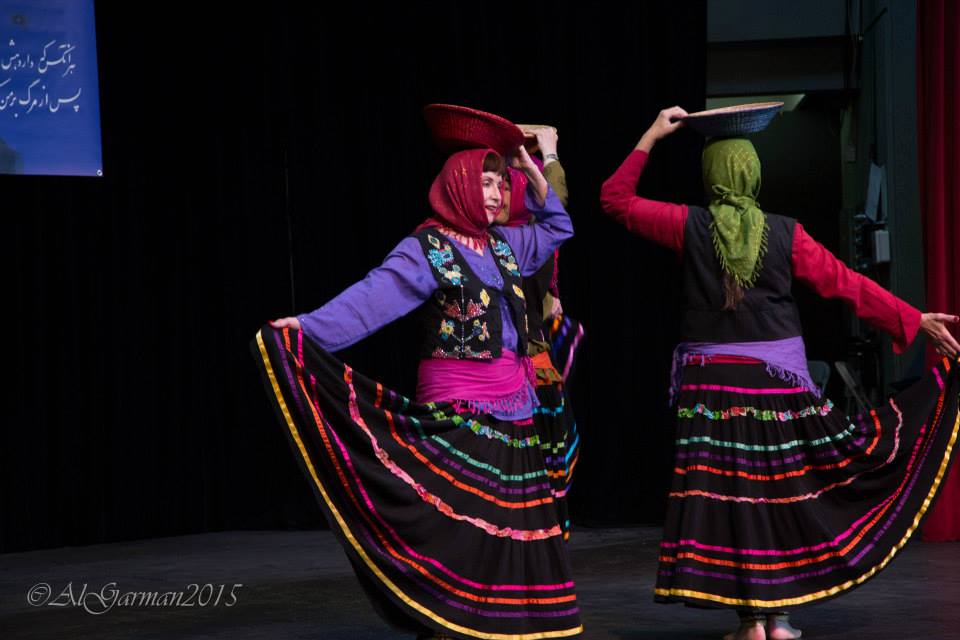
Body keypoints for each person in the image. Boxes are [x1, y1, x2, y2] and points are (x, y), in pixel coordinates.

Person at [600, 106, 960, 640]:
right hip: (776, 389)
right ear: (754, 174)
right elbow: (847, 285)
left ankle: (751, 623)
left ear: (711, 176)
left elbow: (615, 201)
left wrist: (651, 134)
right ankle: (780, 619)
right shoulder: (786, 234)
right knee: (781, 498)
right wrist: (914, 319)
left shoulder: (689, 225)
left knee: (737, 505)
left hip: (713, 394)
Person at [253, 145, 583, 639]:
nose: (495, 196)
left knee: (509, 532)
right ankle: (446, 620)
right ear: (460, 186)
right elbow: (371, 299)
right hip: (459, 406)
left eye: (500, 185)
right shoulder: (428, 248)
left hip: (516, 405)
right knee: (458, 528)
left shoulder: (503, 245)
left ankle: (499, 624)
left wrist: (531, 169)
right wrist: (304, 327)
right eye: (486, 183)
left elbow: (559, 228)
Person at [496, 126, 581, 540]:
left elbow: (555, 205)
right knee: (540, 469)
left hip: (513, 372)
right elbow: (556, 204)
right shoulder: (538, 242)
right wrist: (548, 156)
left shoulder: (502, 242)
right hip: (536, 370)